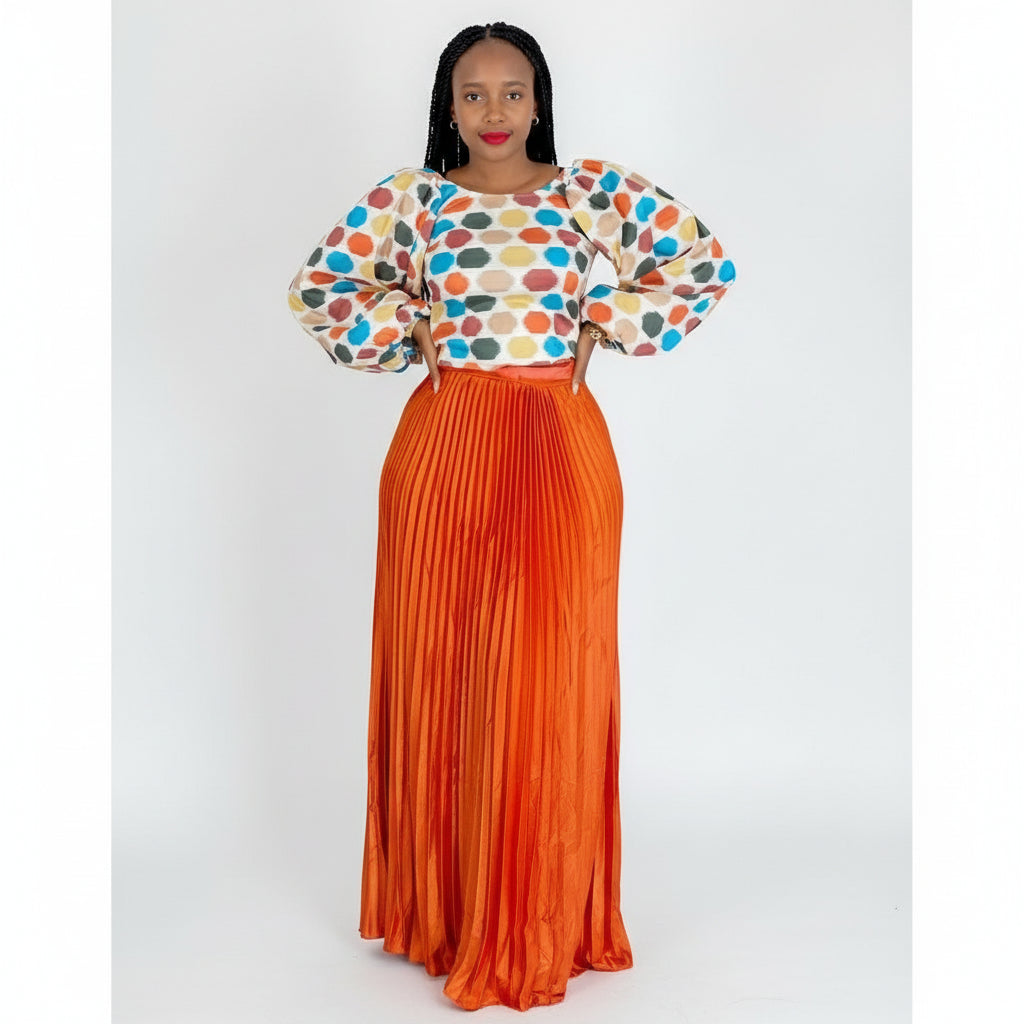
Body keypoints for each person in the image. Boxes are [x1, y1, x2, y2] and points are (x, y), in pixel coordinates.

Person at [286, 21, 737, 1012]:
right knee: (443, 665)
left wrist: (605, 318)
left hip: (560, 444)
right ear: (448, 106)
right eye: (474, 93)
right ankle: (446, 915)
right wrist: (412, 328)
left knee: (548, 669)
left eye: (513, 91)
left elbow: (701, 264)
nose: (494, 111)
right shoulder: (411, 202)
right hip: (444, 449)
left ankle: (538, 914)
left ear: (540, 101)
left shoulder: (588, 194)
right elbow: (320, 289)